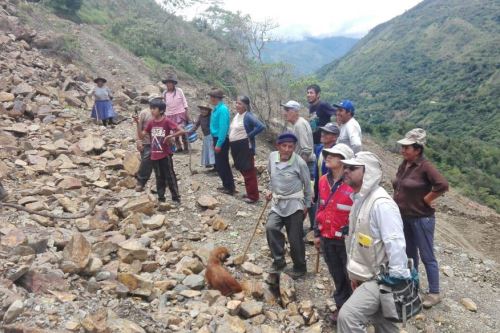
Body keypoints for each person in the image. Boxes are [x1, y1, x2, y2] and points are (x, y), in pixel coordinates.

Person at [337, 151, 411, 333]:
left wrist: (396, 285)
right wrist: (355, 275)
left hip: (381, 279)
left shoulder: (381, 204)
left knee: (348, 316)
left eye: (352, 168)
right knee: (383, 323)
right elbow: (357, 241)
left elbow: (396, 245)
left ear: (368, 172)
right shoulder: (360, 199)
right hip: (367, 275)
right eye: (345, 167)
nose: (346, 171)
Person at [393, 128, 448, 309]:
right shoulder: (405, 164)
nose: (403, 150)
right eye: (403, 147)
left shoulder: (425, 167)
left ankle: (434, 292)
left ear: (418, 149)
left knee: (427, 255)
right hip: (405, 217)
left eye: (407, 147)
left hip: (421, 218)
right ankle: (413, 285)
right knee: (409, 254)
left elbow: (442, 184)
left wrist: (428, 199)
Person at [313, 143, 354, 323]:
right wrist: (316, 233)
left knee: (351, 276)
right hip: (326, 236)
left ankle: (354, 312)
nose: (328, 156)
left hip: (346, 240)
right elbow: (320, 207)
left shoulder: (353, 184)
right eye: (328, 153)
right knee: (336, 274)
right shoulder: (322, 180)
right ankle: (341, 307)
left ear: (344, 161)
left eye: (334, 155)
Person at [265, 132, 313, 279]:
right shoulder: (272, 157)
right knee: (271, 228)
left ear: (294, 147)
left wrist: (307, 204)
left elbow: (308, 185)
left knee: (295, 238)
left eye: (290, 147)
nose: (286, 149)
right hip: (277, 203)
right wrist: (269, 190)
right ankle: (279, 260)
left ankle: (300, 267)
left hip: (294, 204)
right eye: (284, 146)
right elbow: (270, 175)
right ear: (278, 146)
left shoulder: (299, 162)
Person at [134, 98, 185, 204]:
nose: (152, 110)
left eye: (154, 108)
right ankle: (161, 198)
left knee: (170, 176)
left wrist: (170, 135)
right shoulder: (151, 123)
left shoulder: (166, 121)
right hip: (154, 154)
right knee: (158, 177)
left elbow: (181, 131)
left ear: (161, 110)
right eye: (151, 108)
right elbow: (141, 135)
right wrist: (138, 124)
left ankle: (176, 197)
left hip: (165, 154)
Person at [229, 96, 266, 203]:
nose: (237, 105)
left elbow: (260, 126)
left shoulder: (248, 116)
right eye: (236, 103)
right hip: (236, 146)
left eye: (240, 104)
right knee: (242, 169)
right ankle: (250, 192)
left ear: (246, 106)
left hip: (245, 146)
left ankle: (253, 196)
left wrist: (249, 135)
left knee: (248, 170)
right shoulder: (237, 116)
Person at [309, 122, 341, 231]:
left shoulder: (337, 153)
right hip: (321, 188)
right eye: (323, 131)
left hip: (332, 192)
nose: (323, 134)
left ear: (335, 137)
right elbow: (317, 171)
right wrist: (315, 191)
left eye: (327, 133)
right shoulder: (319, 149)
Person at [209, 88, 235, 195]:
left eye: (211, 97)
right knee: (220, 164)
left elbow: (223, 128)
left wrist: (219, 143)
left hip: (222, 139)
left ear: (215, 98)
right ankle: (226, 185)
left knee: (222, 164)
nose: (210, 99)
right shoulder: (216, 108)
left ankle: (229, 187)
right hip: (216, 138)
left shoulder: (223, 110)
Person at [282, 100, 315, 177]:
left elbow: (306, 150)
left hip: (307, 165)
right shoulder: (299, 123)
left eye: (287, 110)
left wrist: (300, 169)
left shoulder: (299, 125)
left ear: (295, 111)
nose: (284, 113)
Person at [162, 73, 190, 152]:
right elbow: (163, 105)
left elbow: (184, 102)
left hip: (180, 114)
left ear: (173, 83)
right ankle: (179, 147)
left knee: (182, 131)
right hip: (169, 115)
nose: (168, 84)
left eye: (170, 83)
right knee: (174, 132)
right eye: (167, 83)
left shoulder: (179, 91)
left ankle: (186, 147)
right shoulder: (164, 93)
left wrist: (187, 113)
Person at [134, 101, 154, 192]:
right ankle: (141, 181)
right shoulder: (144, 113)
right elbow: (139, 128)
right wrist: (139, 141)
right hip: (146, 142)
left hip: (159, 143)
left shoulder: (163, 113)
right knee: (146, 161)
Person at [192, 103, 215, 170]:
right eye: (202, 109)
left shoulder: (210, 117)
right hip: (205, 136)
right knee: (207, 149)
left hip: (211, 135)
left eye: (205, 110)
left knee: (211, 150)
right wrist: (190, 131)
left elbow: (213, 127)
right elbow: (196, 125)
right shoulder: (200, 117)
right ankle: (208, 164)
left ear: (208, 111)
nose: (203, 111)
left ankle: (214, 164)